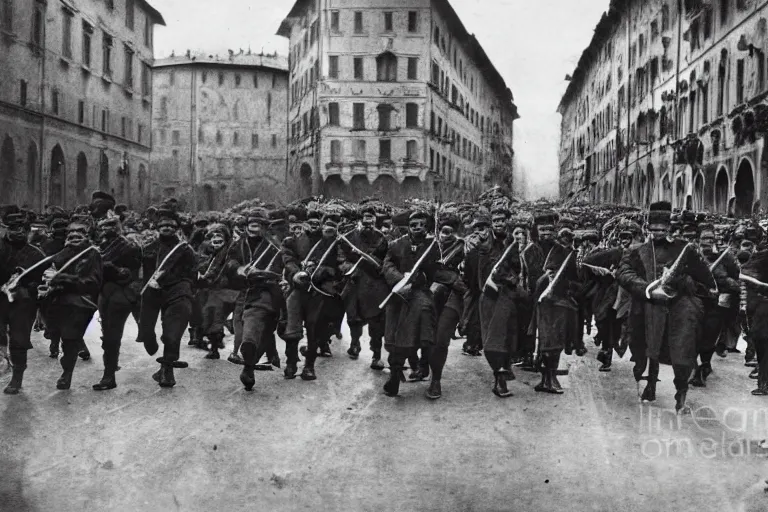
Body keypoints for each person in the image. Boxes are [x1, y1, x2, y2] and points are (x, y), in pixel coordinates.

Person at [617, 201, 716, 412]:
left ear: (669, 228)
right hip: (648, 305)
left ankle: (681, 393)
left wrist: (686, 281)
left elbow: (705, 280)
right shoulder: (637, 251)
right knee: (645, 348)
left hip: (679, 308)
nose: (657, 234)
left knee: (683, 352)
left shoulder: (685, 249)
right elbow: (624, 273)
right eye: (653, 230)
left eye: (662, 230)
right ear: (647, 229)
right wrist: (648, 289)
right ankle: (649, 385)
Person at [381, 210, 439, 398]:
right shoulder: (396, 245)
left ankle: (424, 363)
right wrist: (400, 281)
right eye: (414, 225)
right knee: (394, 337)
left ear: (427, 226)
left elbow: (436, 270)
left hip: (419, 292)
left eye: (422, 225)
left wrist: (420, 279)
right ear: (408, 226)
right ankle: (395, 375)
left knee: (424, 320)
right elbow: (388, 266)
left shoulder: (433, 246)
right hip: (398, 294)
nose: (418, 228)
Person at [138, 208, 197, 388]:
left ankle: (167, 369)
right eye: (162, 225)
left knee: (172, 332)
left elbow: (193, 272)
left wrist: (185, 287)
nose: (166, 228)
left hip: (178, 291)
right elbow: (141, 274)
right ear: (157, 227)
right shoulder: (148, 248)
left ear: (177, 228)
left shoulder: (185, 250)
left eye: (170, 226)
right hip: (153, 292)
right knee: (146, 326)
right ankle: (148, 338)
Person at [41, 219, 103, 390]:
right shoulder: (62, 253)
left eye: (80, 233)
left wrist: (62, 279)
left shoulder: (93, 254)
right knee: (59, 334)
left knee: (69, 339)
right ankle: (74, 347)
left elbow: (93, 282)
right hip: (57, 301)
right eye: (71, 233)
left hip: (81, 302)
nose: (75, 236)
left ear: (87, 236)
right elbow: (46, 268)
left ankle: (66, 373)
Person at [0, 206, 48, 394]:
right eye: (12, 228)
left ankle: (17, 377)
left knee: (19, 340)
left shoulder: (36, 254)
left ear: (27, 231)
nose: (16, 231)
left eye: (20, 228)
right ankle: (4, 364)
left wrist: (29, 286)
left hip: (23, 303)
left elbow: (44, 280)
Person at [94, 211, 142, 391]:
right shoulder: (102, 246)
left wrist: (111, 268)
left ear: (117, 227)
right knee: (107, 333)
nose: (107, 229)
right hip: (104, 294)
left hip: (120, 294)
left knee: (112, 335)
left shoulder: (128, 246)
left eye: (110, 225)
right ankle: (110, 367)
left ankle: (109, 376)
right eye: (104, 226)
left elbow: (132, 272)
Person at [339, 205, 389, 370]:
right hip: (354, 282)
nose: (368, 221)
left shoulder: (382, 239)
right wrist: (349, 269)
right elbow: (340, 259)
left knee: (376, 321)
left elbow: (386, 260)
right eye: (366, 217)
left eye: (371, 218)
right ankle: (354, 344)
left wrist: (378, 266)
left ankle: (376, 355)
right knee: (353, 317)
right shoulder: (347, 238)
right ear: (359, 220)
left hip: (374, 285)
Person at [691, 223, 739, 387]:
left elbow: (735, 278)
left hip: (716, 305)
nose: (707, 241)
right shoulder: (692, 255)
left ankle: (704, 366)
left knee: (709, 336)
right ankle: (696, 366)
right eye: (704, 238)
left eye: (711, 238)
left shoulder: (726, 257)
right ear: (699, 239)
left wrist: (724, 283)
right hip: (696, 302)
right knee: (692, 336)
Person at [424, 212, 466, 399]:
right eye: (444, 231)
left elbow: (467, 278)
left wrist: (454, 280)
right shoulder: (430, 247)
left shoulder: (465, 248)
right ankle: (423, 366)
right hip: (431, 296)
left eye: (452, 232)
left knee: (441, 339)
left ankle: (436, 380)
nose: (447, 236)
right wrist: (450, 277)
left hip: (453, 298)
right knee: (426, 335)